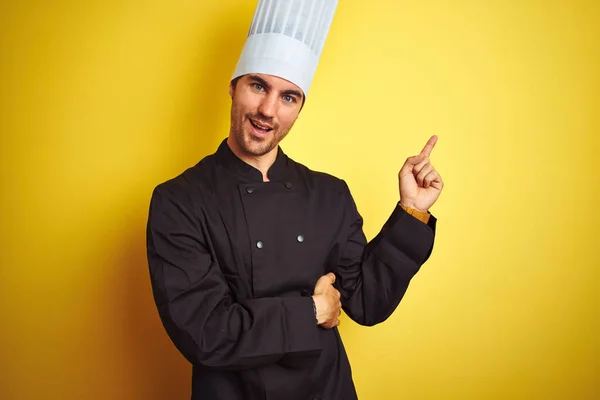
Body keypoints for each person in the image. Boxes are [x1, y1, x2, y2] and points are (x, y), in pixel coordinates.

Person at [146, 1, 443, 399]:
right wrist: (312, 312)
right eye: (257, 86)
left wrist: (413, 211)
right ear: (233, 86)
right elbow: (205, 333)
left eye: (288, 97)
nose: (268, 110)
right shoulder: (179, 201)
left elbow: (368, 303)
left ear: (300, 108)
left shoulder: (329, 194)